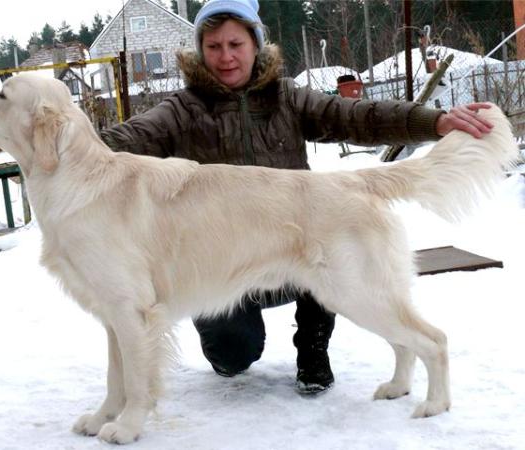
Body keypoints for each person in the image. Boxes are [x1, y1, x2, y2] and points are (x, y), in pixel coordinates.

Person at [99, 0, 494, 395]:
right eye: (214, 46)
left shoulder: (287, 97)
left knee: (332, 250)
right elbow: (123, 140)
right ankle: (235, 343)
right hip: (225, 261)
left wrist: (435, 121)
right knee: (231, 359)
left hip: (298, 242)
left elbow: (358, 116)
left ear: (255, 44)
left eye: (235, 44)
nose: (226, 57)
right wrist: (62, 139)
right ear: (200, 51)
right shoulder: (182, 110)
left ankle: (313, 350)